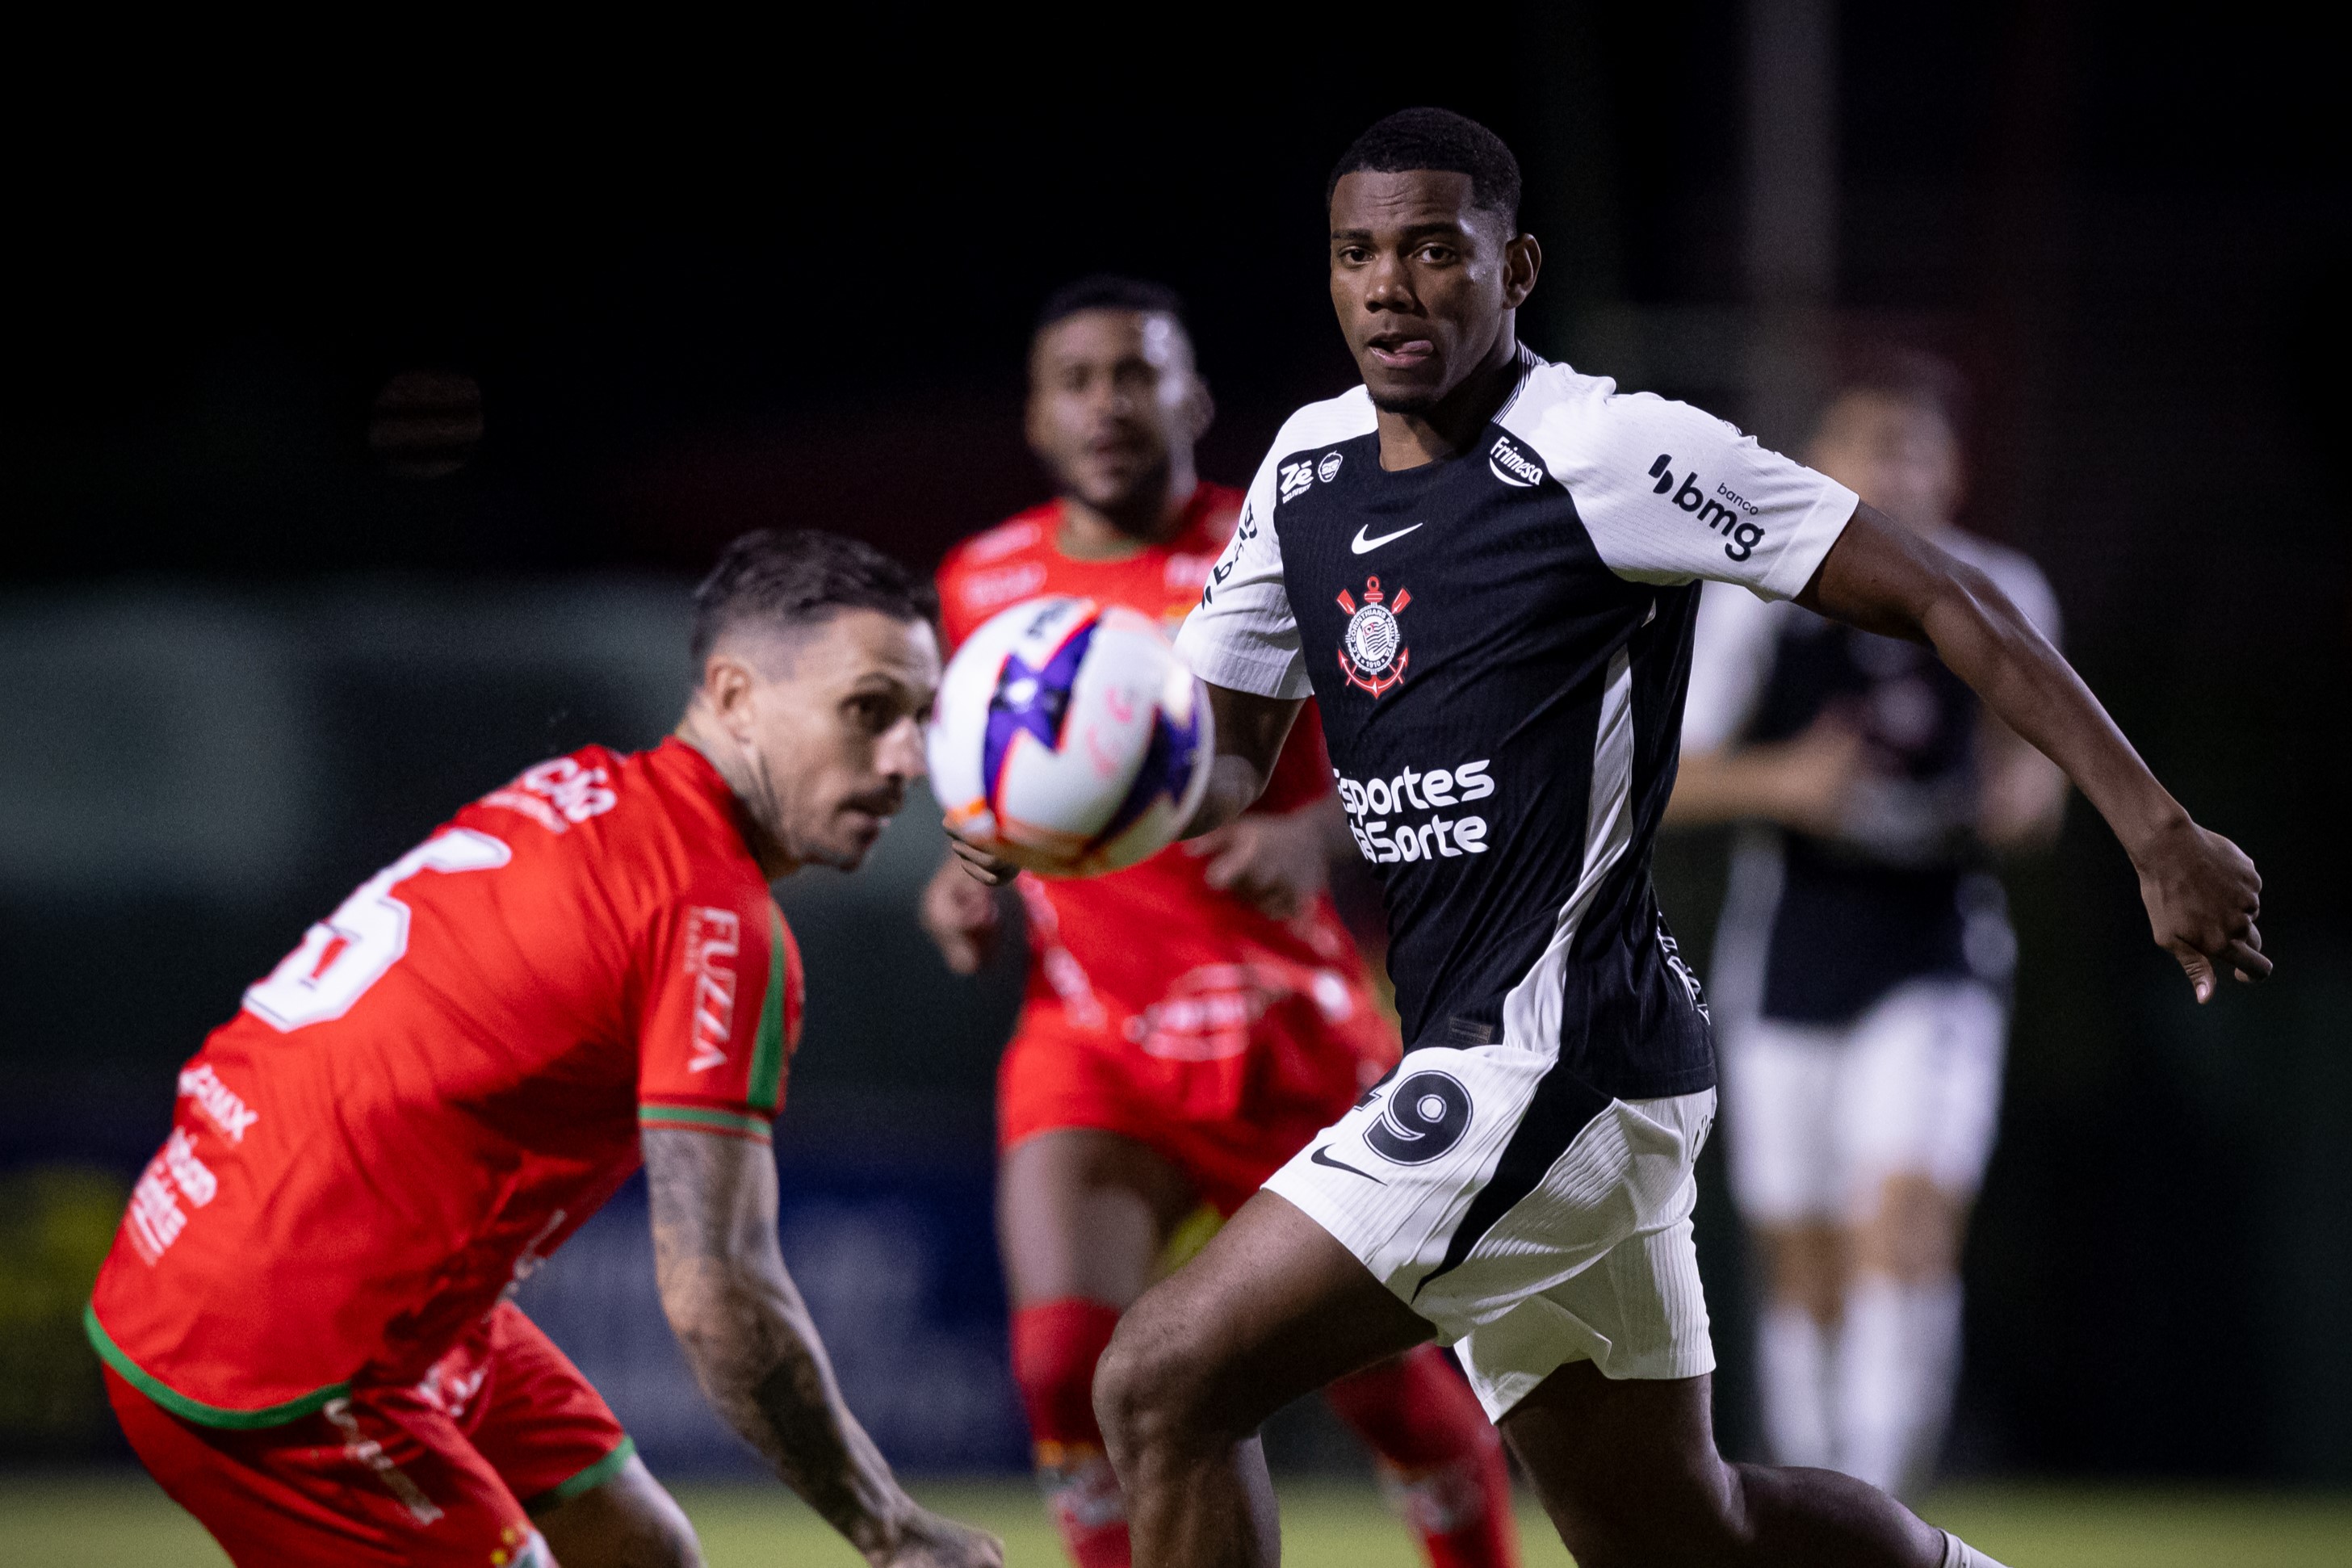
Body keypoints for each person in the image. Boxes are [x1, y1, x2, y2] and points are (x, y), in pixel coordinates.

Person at [954, 107, 2266, 1568]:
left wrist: (2154, 826)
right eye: (1355, 253)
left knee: (1161, 1375)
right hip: (1536, 1061)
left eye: (1432, 249)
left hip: (1551, 1055)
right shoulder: (1306, 470)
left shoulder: (1611, 449)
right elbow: (1219, 753)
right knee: (1681, 1532)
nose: (1389, 284)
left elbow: (1940, 595)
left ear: (1513, 266)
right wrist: (1056, 806)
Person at [86, 531, 1003, 1568]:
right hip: (282, 1351)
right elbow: (719, 1291)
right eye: (870, 711)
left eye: (923, 718)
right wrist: (893, 1531)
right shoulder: (713, 918)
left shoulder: (585, 788)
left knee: (641, 1552)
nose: (909, 759)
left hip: (235, 1247)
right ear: (735, 695)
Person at [923, 275, 1516, 1568]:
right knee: (1064, 1366)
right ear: (1035, 414)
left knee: (1394, 1395)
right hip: (1092, 1031)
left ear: (1191, 395)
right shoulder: (981, 580)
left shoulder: (1290, 540)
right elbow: (996, 785)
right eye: (1076, 379)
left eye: (1135, 373)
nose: (1106, 403)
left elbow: (1438, 735)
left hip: (1285, 1026)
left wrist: (1317, 833)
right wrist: (964, 875)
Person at [1666, 354, 2066, 1495]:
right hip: (1788, 949)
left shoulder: (2001, 590)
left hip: (1933, 950)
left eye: (1913, 446)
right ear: (1823, 465)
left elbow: (2036, 778)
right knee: (1803, 1259)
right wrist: (1784, 782)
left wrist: (2020, 796)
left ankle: (1879, 1500)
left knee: (1905, 1222)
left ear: (1953, 468)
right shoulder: (1761, 600)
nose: (1890, 469)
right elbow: (1670, 783)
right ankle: (1812, 1493)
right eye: (1867, 444)